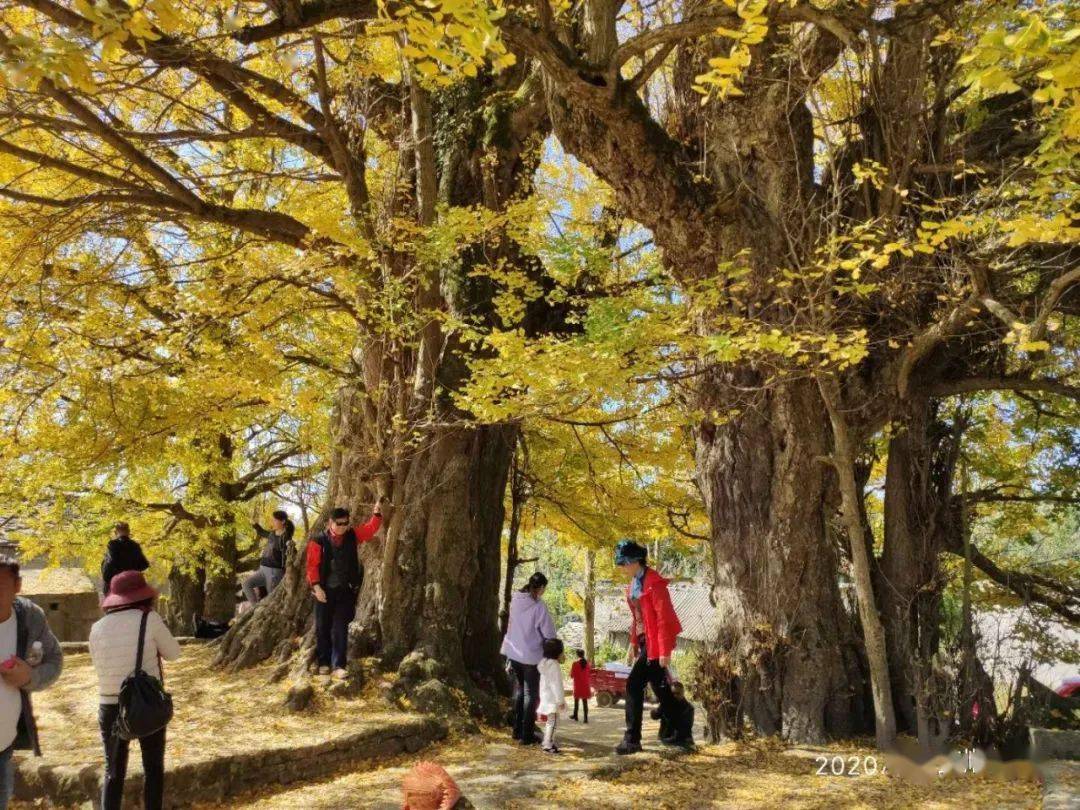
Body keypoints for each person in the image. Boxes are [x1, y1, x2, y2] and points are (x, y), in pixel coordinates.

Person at [89, 570, 181, 810]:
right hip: (145, 702)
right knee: (152, 767)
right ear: (143, 596)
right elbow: (174, 653)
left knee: (113, 771)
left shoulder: (96, 628)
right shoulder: (149, 619)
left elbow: (98, 665)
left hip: (109, 705)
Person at [0, 555, 63, 810]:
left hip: (4, 743)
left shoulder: (29, 618)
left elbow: (54, 661)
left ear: (17, 586)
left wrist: (30, 677)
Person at [612, 539, 682, 755]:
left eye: (624, 563)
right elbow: (637, 617)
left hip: (655, 644)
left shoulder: (655, 583)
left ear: (634, 561)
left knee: (633, 685)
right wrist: (633, 642)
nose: (622, 568)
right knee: (661, 688)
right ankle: (680, 727)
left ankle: (632, 739)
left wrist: (663, 651)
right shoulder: (633, 584)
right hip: (645, 642)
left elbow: (664, 619)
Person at [306, 502, 383, 679]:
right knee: (322, 627)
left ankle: (338, 665)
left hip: (345, 591)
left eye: (345, 523)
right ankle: (324, 662)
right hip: (323, 591)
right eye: (338, 523)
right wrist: (317, 587)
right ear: (330, 523)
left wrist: (377, 514)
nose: (342, 527)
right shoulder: (318, 540)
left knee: (340, 627)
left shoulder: (352, 536)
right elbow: (312, 566)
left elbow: (370, 529)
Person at [499, 572, 556, 746]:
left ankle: (517, 731)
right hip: (531, 656)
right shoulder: (539, 606)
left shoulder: (516, 599)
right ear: (540, 588)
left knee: (520, 692)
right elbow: (548, 633)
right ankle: (527, 734)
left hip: (514, 654)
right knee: (532, 695)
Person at [242, 509, 294, 606]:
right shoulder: (272, 534)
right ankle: (255, 608)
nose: (272, 522)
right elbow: (262, 532)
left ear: (282, 521)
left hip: (275, 572)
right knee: (246, 584)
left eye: (274, 520)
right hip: (262, 569)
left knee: (272, 600)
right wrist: (255, 524)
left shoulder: (286, 538)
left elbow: (292, 556)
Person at [100, 522, 150, 596]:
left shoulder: (112, 544)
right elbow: (145, 564)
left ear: (115, 532)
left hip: (118, 583)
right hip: (133, 582)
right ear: (128, 532)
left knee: (106, 588)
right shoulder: (135, 545)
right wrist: (133, 570)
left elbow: (111, 561)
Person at [537, 638, 567, 754]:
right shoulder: (554, 666)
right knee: (552, 722)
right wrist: (560, 701)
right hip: (553, 699)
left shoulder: (544, 663)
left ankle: (549, 742)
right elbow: (556, 684)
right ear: (557, 652)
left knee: (551, 721)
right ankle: (547, 744)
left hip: (546, 696)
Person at [652, 680, 695, 748]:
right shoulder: (666, 704)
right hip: (665, 738)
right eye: (673, 693)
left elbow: (685, 729)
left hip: (682, 740)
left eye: (678, 693)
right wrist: (655, 711)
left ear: (683, 693)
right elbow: (654, 716)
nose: (675, 696)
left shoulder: (688, 708)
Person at [569, 648, 591, 723]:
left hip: (578, 685)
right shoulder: (588, 663)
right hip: (585, 685)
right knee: (585, 702)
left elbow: (571, 675)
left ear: (577, 655)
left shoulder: (575, 663)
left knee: (576, 701)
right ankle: (585, 718)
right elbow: (588, 674)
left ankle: (576, 716)